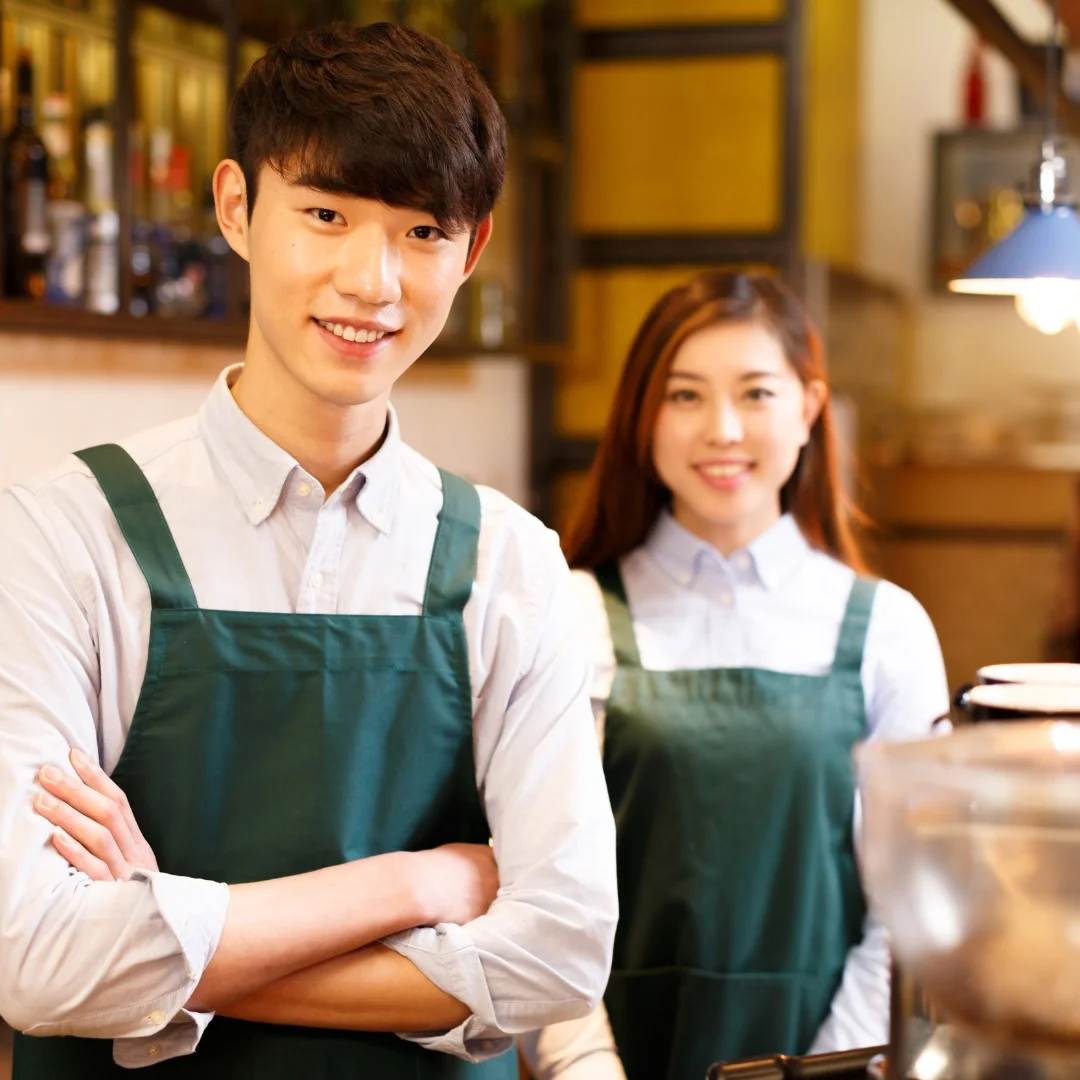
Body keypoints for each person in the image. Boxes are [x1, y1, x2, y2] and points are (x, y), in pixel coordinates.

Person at [0, 21, 617, 1079]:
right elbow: (40, 961)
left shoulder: (516, 567)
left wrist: (170, 940)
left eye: (422, 231)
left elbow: (562, 958)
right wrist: (415, 887)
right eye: (325, 214)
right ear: (237, 209)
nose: (371, 279)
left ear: (471, 252)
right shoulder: (62, 535)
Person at [520, 271, 949, 1080]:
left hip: (831, 1059)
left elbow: (911, 907)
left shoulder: (887, 628)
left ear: (810, 409)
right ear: (643, 416)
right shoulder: (567, 615)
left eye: (756, 394)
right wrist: (587, 1068)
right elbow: (535, 889)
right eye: (685, 396)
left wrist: (826, 1071)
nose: (721, 429)